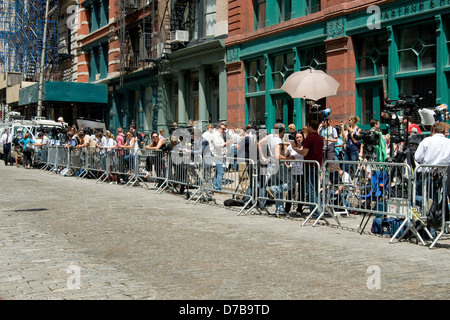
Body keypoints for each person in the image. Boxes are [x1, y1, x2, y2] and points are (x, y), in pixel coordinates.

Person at [259, 123, 295, 215]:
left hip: (272, 165)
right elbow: (277, 155)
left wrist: (263, 157)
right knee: (292, 183)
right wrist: (288, 158)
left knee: (279, 186)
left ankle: (279, 210)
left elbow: (259, 143)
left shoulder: (270, 136)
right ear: (282, 131)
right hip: (278, 166)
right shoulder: (278, 140)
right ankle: (272, 189)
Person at [290, 120, 324, 219]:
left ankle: (314, 214)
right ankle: (319, 211)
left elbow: (304, 153)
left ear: (310, 126)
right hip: (317, 165)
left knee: (311, 189)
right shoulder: (320, 138)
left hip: (310, 165)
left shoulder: (310, 138)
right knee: (316, 190)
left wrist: (295, 148)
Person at [284, 130, 306, 215]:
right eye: (297, 137)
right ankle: (287, 209)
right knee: (291, 190)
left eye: (300, 137)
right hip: (293, 171)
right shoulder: (291, 146)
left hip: (302, 170)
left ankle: (299, 209)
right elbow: (285, 155)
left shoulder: (305, 146)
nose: (299, 139)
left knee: (301, 191)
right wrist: (287, 161)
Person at [210, 122, 233, 191]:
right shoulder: (215, 135)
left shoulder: (221, 135)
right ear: (219, 128)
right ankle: (218, 188)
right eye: (223, 129)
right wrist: (225, 144)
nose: (224, 130)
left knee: (218, 172)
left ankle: (215, 186)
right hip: (217, 155)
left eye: (225, 129)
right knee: (220, 172)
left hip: (221, 155)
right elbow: (217, 145)